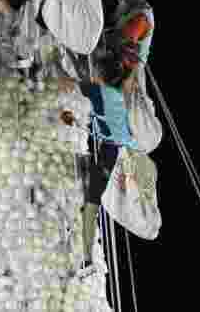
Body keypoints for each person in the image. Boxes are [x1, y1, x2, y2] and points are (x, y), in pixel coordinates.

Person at [58, 52, 138, 274]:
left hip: (111, 155)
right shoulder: (121, 91)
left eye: (95, 71)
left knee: (91, 206)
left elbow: (67, 81)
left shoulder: (96, 91)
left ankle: (87, 260)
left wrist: (55, 64)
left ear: (100, 75)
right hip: (128, 153)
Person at [108, 0, 155, 86]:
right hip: (118, 62)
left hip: (130, 72)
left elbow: (122, 40)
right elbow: (113, 20)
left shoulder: (142, 17)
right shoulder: (127, 4)